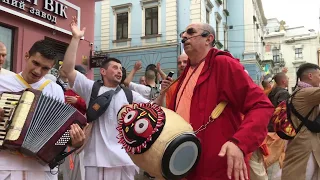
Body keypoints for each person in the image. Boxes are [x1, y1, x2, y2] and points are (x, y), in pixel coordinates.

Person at [60, 17, 169, 180]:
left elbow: (154, 109)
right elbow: (68, 70)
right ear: (103, 72)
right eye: (115, 67)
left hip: (124, 160)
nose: (119, 71)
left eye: (121, 68)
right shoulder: (91, 88)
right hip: (96, 159)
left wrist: (163, 92)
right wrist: (76, 38)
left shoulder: (129, 94)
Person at [163, 22, 274, 180]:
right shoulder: (185, 74)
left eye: (190, 32)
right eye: (183, 34)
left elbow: (261, 106)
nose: (184, 36)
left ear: (208, 39)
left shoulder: (223, 64)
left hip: (217, 165)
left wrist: (239, 143)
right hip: (186, 164)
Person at [0, 39, 86, 180]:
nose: (38, 71)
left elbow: (59, 132)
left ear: (51, 68)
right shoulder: (3, 82)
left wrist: (73, 141)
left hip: (41, 169)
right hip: (6, 166)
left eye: (45, 68)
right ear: (27, 56)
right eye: (35, 63)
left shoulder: (55, 90)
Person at [281, 63, 320, 180]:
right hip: (305, 146)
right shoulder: (307, 93)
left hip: (303, 143)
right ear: (310, 76)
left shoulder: (298, 91)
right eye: (319, 75)